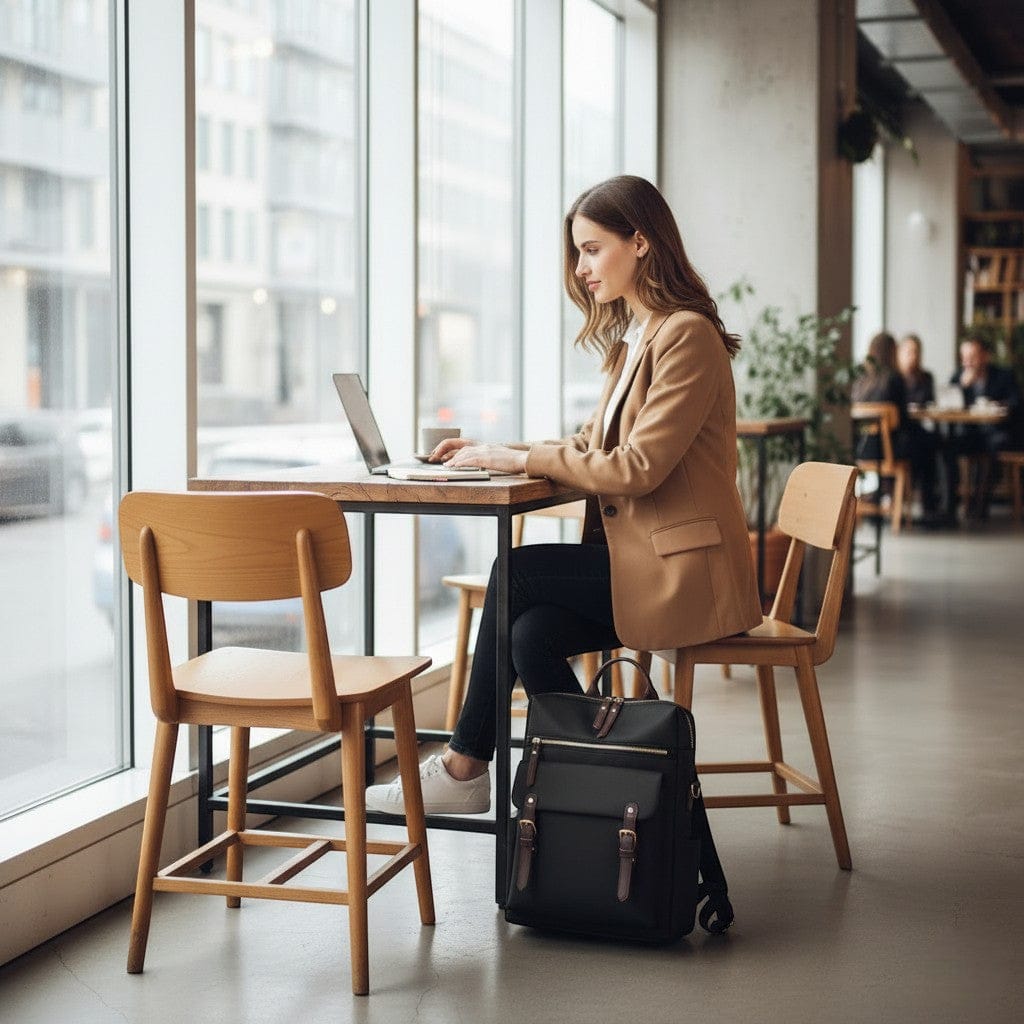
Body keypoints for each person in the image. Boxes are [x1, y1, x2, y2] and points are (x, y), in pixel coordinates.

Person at [365, 174, 762, 815]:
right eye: (576, 253)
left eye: (591, 249)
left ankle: (466, 766)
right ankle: (597, 792)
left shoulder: (684, 335)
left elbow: (637, 467)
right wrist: (494, 452)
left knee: (515, 571)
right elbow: (588, 445)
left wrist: (512, 457)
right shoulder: (637, 338)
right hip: (648, 563)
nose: (580, 270)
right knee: (531, 635)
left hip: (686, 572)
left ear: (640, 243)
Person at [852, 331, 940, 520]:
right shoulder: (893, 378)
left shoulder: (860, 378)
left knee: (919, 442)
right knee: (929, 444)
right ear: (892, 352)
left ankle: (882, 495)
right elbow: (904, 422)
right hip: (887, 451)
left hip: (861, 449)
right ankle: (928, 506)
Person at [943, 335, 1023, 519]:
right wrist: (962, 387)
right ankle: (949, 507)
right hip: (971, 433)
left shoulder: (1003, 375)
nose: (968, 362)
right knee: (947, 446)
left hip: (999, 432)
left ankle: (979, 505)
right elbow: (948, 403)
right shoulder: (959, 377)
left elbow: (1016, 402)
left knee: (993, 446)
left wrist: (997, 406)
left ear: (985, 356)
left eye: (973, 356)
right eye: (965, 357)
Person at [897, 333, 935, 408]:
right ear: (899, 353)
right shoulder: (893, 378)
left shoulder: (926, 377)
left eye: (916, 352)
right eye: (909, 352)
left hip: (918, 418)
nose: (913, 357)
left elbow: (928, 402)